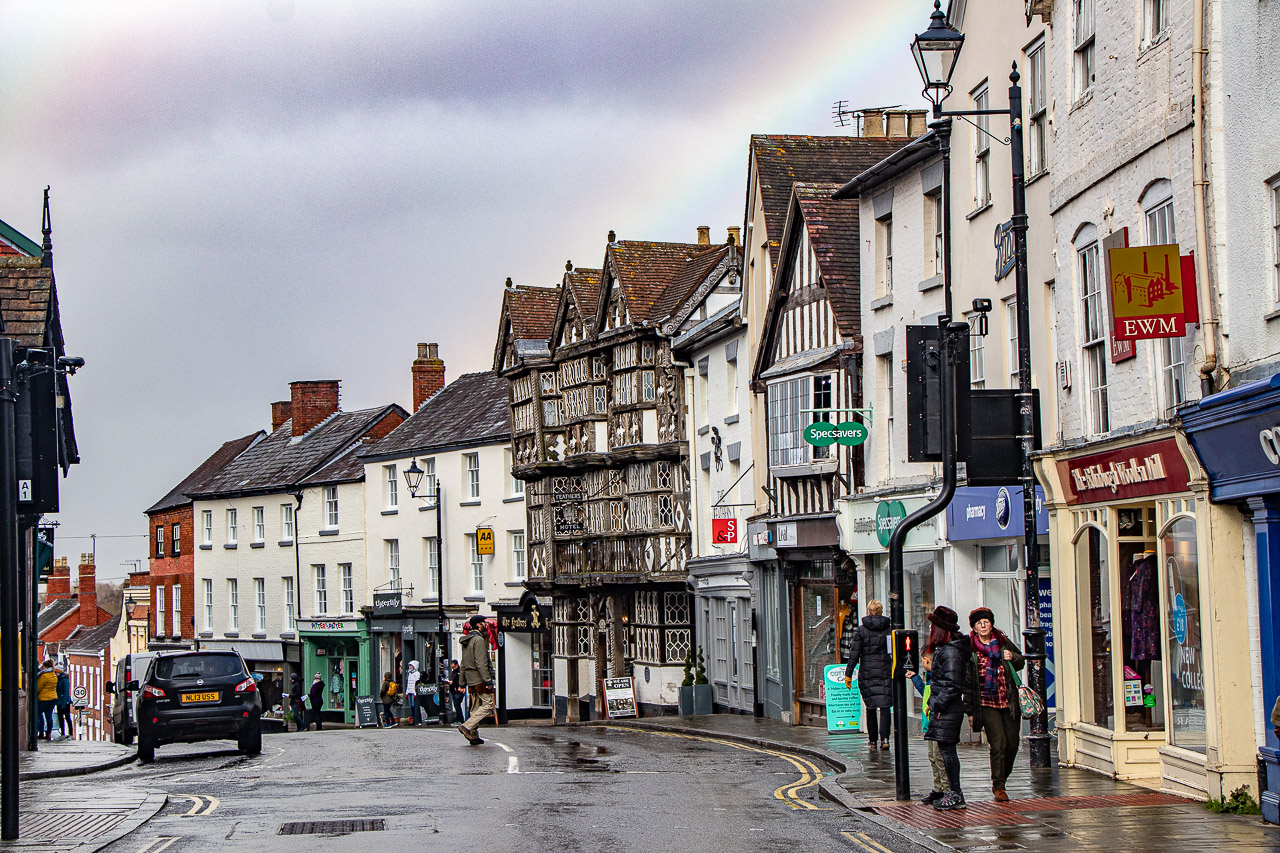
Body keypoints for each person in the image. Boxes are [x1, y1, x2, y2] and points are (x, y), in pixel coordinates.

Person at [966, 607, 1025, 803]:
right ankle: (999, 785)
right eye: (979, 623)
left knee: (1012, 744)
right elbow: (967, 682)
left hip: (1008, 700)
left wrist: (1012, 657)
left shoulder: (1002, 641)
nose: (983, 625)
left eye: (986, 622)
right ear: (974, 627)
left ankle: (1003, 776)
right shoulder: (970, 648)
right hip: (986, 702)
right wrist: (970, 711)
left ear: (991, 624)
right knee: (998, 744)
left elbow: (1020, 661)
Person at [924, 605, 970, 811]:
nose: (930, 629)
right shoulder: (946, 650)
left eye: (933, 626)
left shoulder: (950, 651)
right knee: (944, 750)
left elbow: (952, 685)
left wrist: (937, 704)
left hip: (948, 709)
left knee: (947, 751)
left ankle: (955, 793)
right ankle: (951, 792)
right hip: (944, 707)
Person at [843, 599, 893, 751]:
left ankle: (872, 741)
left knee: (870, 707)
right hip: (885, 671)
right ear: (880, 612)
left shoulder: (862, 630)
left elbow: (854, 653)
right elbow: (893, 651)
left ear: (869, 612)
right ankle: (885, 739)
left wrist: (848, 674)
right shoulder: (888, 629)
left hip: (867, 672)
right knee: (885, 706)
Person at [906, 651, 946, 805]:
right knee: (932, 757)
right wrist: (915, 678)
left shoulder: (938, 679)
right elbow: (924, 692)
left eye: (923, 661)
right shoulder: (930, 679)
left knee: (939, 757)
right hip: (929, 724)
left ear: (927, 661)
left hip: (936, 723)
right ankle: (938, 788)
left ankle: (946, 789)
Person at [457, 615, 494, 745]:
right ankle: (467, 726)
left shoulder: (468, 640)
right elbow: (481, 662)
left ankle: (473, 735)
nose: (485, 624)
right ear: (478, 625)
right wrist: (488, 680)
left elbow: (463, 663)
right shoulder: (478, 640)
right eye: (483, 622)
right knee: (488, 704)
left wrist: (462, 682)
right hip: (479, 678)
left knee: (476, 706)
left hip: (470, 677)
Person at [36, 660, 57, 741]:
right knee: (49, 716)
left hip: (43, 699)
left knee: (38, 715)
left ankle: (40, 733)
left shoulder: (44, 676)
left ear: (45, 667)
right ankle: (48, 733)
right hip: (53, 698)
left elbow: (38, 687)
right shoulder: (53, 675)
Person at [55, 665, 73, 740]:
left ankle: (71, 734)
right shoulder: (58, 680)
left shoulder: (65, 680)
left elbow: (66, 692)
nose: (55, 673)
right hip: (59, 702)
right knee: (60, 718)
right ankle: (62, 733)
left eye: (56, 672)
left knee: (67, 717)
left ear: (59, 672)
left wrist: (64, 703)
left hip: (65, 702)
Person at [404, 660, 420, 725]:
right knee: (411, 706)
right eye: (410, 666)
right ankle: (413, 719)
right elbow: (408, 684)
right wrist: (406, 693)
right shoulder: (409, 673)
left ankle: (416, 719)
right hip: (409, 692)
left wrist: (415, 693)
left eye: (411, 666)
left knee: (414, 706)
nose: (410, 667)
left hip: (413, 692)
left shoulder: (417, 673)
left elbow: (416, 684)